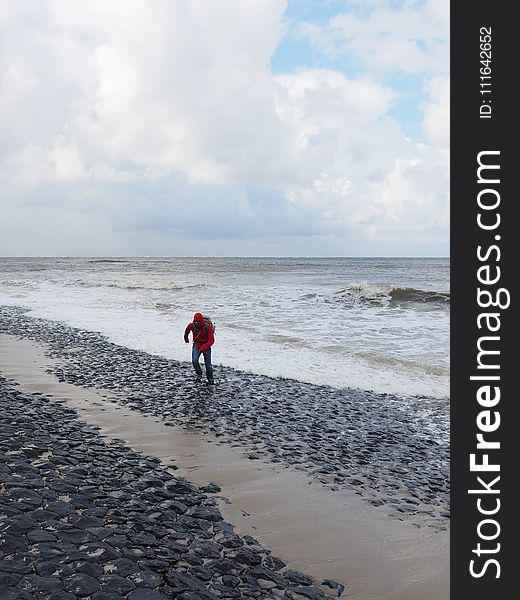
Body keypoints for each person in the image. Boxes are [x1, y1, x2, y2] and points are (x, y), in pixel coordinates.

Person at [184, 312, 215, 384]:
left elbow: (212, 340)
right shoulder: (191, 326)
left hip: (206, 346)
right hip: (196, 345)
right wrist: (186, 338)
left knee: (208, 365)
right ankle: (199, 374)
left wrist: (204, 347)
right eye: (195, 322)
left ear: (201, 321)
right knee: (194, 361)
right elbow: (187, 331)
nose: (197, 323)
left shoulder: (207, 327)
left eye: (198, 322)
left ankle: (210, 378)